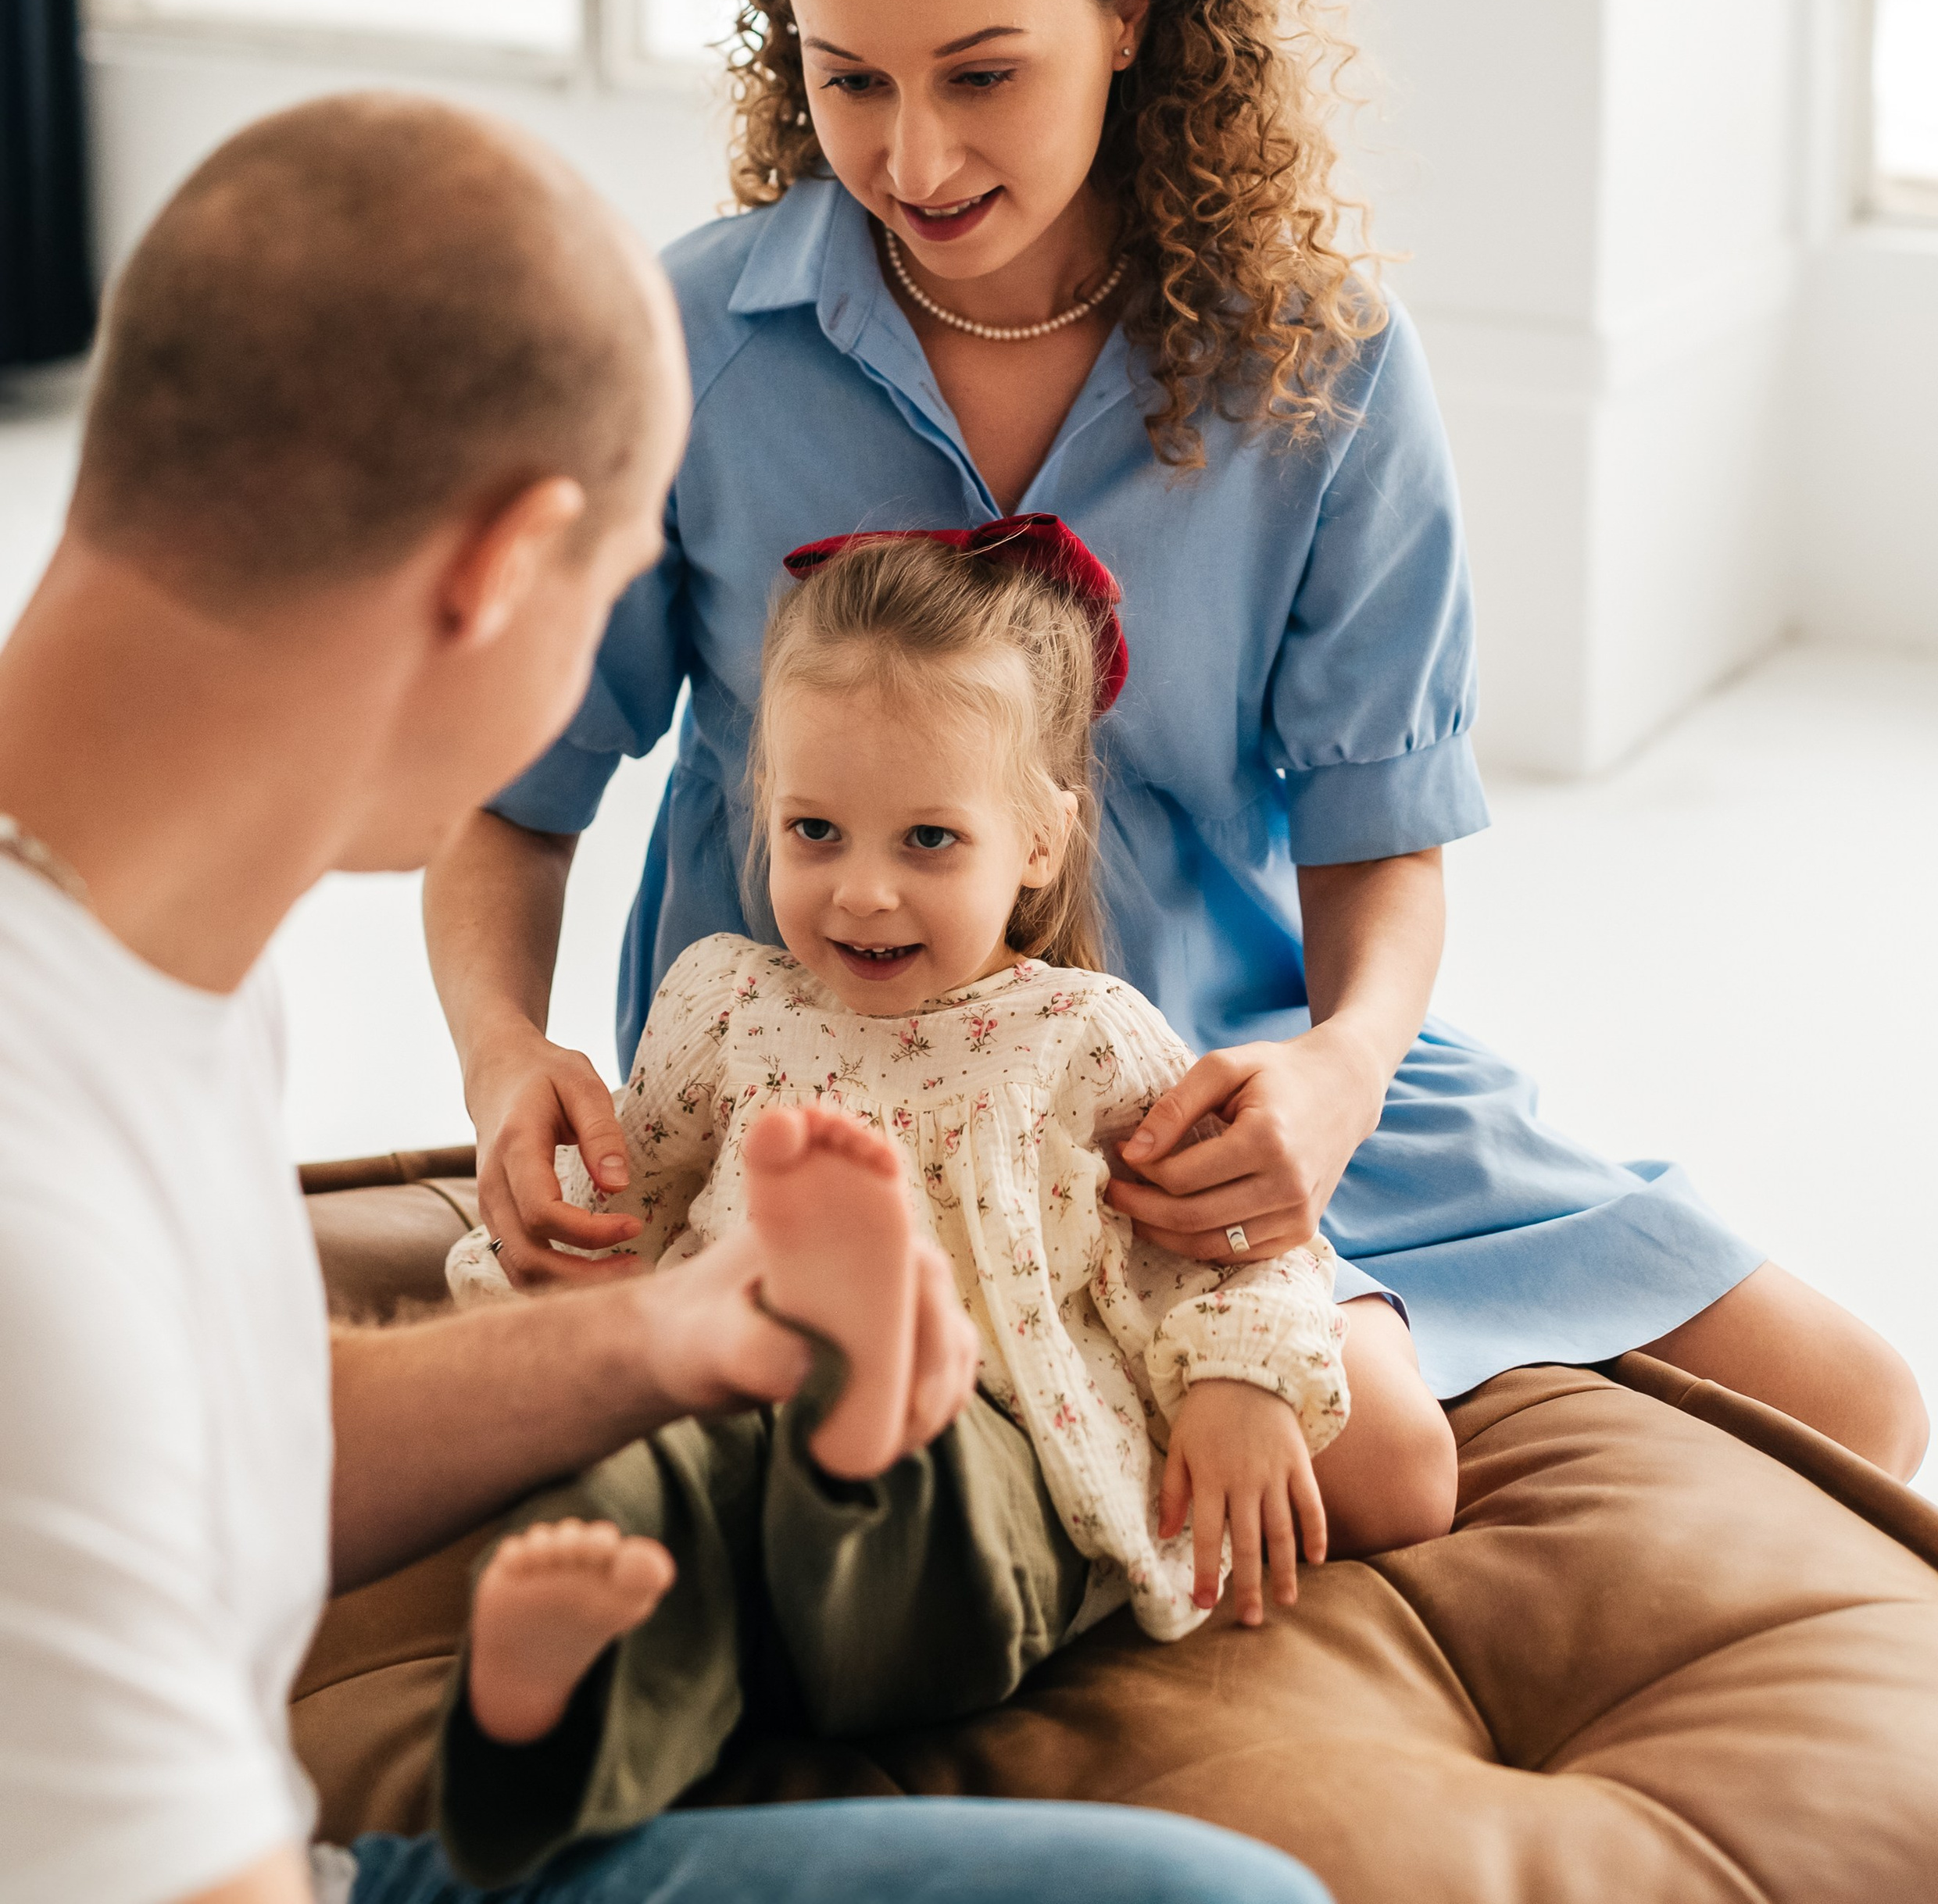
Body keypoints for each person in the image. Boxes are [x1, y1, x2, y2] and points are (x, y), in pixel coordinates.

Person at [425, 0, 1928, 1481]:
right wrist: (501, 1059)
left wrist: (1340, 1076)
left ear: (1128, 16)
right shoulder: (686, 349)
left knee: (1857, 1404)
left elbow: (1381, 835)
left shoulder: (1326, 368)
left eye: (981, 75)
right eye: (850, 78)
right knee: (1371, 1460)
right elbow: (505, 805)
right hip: (852, 1094)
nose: (911, 158)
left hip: (1230, 1079)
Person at [0, 93, 1332, 1904]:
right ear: (495, 573)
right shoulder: (34, 1220)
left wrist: (667, 1334)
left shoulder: (125, 958)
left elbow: (182, 1443)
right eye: (620, 576)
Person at [431, 520, 1434, 1885]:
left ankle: (873, 1407)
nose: (861, 888)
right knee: (641, 1490)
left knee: (934, 1493)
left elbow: (1241, 1249)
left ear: (1037, 839)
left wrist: (1243, 1387)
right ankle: (532, 1735)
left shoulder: (1089, 1036)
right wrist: (550, 1272)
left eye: (928, 839)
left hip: (992, 1455)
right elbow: (637, 1203)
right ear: (765, 807)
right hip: (734, 1409)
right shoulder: (725, 1001)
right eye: (816, 830)